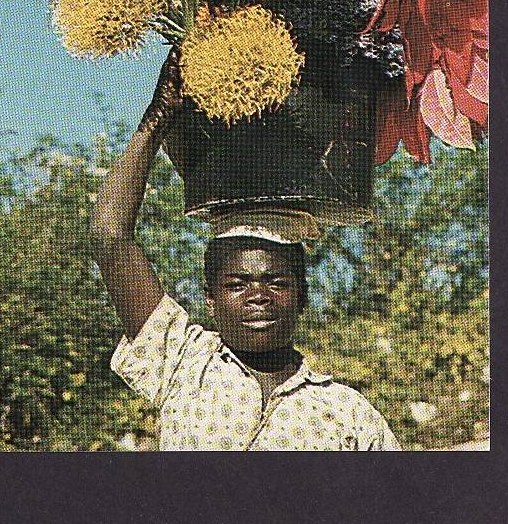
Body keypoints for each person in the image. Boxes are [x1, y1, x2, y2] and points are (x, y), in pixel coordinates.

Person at [92, 52, 401, 451]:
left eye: (276, 281)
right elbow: (109, 237)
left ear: (303, 294)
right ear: (211, 298)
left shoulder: (347, 413)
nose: (259, 296)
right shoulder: (182, 362)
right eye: (238, 284)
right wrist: (158, 117)